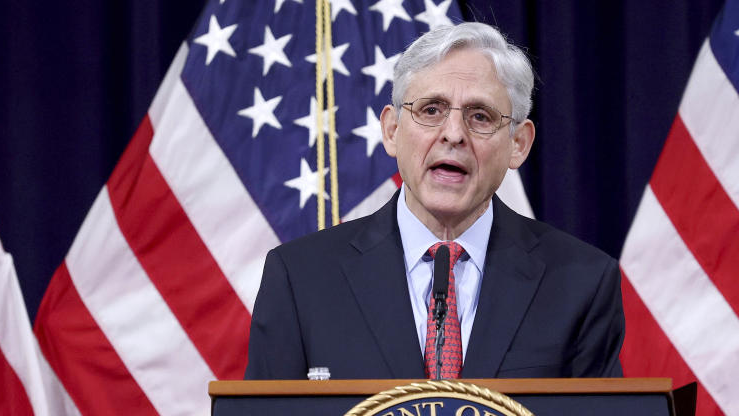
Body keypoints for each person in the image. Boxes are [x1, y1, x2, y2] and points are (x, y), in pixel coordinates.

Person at [244, 22, 624, 380]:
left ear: (518, 145)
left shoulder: (580, 283)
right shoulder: (301, 279)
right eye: (431, 110)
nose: (454, 134)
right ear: (392, 130)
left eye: (480, 116)